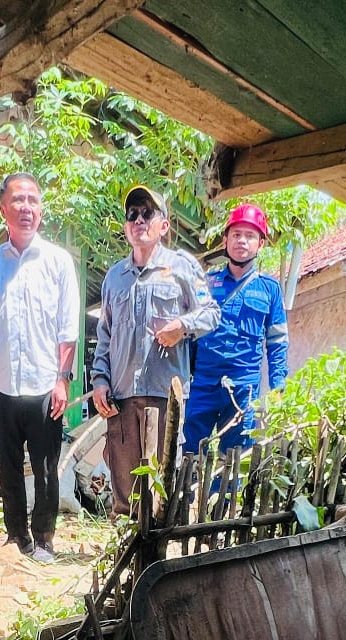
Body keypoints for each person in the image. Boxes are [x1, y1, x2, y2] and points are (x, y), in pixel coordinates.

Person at [0, 172, 80, 564]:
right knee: (9, 467)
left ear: (41, 208)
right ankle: (16, 538)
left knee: (47, 470)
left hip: (45, 385)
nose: (26, 207)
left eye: (32, 200)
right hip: (0, 384)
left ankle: (44, 539)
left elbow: (68, 328)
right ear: (3, 209)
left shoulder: (59, 262)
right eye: (18, 200)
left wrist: (62, 379)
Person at [92, 185, 220, 515]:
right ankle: (124, 551)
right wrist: (99, 381)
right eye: (132, 214)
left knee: (163, 485)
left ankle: (161, 554)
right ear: (125, 227)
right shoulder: (114, 278)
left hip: (165, 395)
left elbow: (211, 313)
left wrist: (182, 326)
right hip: (121, 397)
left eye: (148, 213)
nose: (139, 220)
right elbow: (104, 336)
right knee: (124, 486)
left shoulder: (182, 267)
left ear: (163, 225)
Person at [184, 203, 289, 455]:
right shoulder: (206, 284)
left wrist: (278, 388)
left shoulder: (270, 289)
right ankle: (185, 496)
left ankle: (226, 496)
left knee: (234, 458)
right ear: (225, 240)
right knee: (187, 453)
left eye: (250, 235)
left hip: (244, 387)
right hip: (203, 384)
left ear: (260, 244)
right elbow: (188, 335)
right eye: (236, 234)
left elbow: (277, 343)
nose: (242, 241)